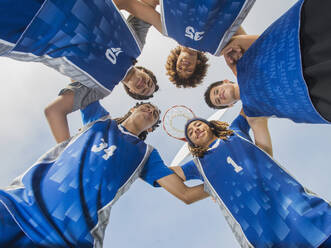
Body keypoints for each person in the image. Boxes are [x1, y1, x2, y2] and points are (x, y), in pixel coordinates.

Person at [0, 100, 209, 247]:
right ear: (132, 108)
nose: (150, 110)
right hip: (18, 206)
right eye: (147, 106)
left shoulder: (146, 155)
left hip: (69, 238)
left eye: (154, 114)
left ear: (151, 129)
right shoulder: (99, 119)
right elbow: (84, 79)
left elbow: (186, 194)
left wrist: (221, 179)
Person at [170, 111, 331, 248]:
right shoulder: (198, 165)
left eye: (197, 125)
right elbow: (169, 175)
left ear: (210, 125)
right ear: (191, 144)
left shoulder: (235, 131)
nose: (195, 130)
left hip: (294, 204)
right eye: (190, 133)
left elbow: (248, 105)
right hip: (263, 230)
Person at [205, 0, 331, 124]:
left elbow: (259, 39)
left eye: (216, 92)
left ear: (225, 81)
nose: (219, 96)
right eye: (218, 101)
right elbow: (261, 142)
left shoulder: (239, 64)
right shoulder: (251, 112)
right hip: (313, 94)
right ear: (230, 105)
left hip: (303, 49)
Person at [0, 0, 158, 98]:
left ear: (130, 90)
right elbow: (147, 4)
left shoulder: (100, 88)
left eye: (143, 91)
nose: (144, 85)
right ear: (143, 70)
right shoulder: (134, 46)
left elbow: (67, 98)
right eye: (149, 82)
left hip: (27, 33)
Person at [123, 0, 254, 88]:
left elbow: (133, 5)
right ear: (197, 64)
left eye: (180, 68)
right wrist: (240, 74)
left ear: (176, 60)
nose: (184, 67)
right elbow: (250, 44)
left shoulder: (169, 30)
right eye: (189, 70)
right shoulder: (217, 47)